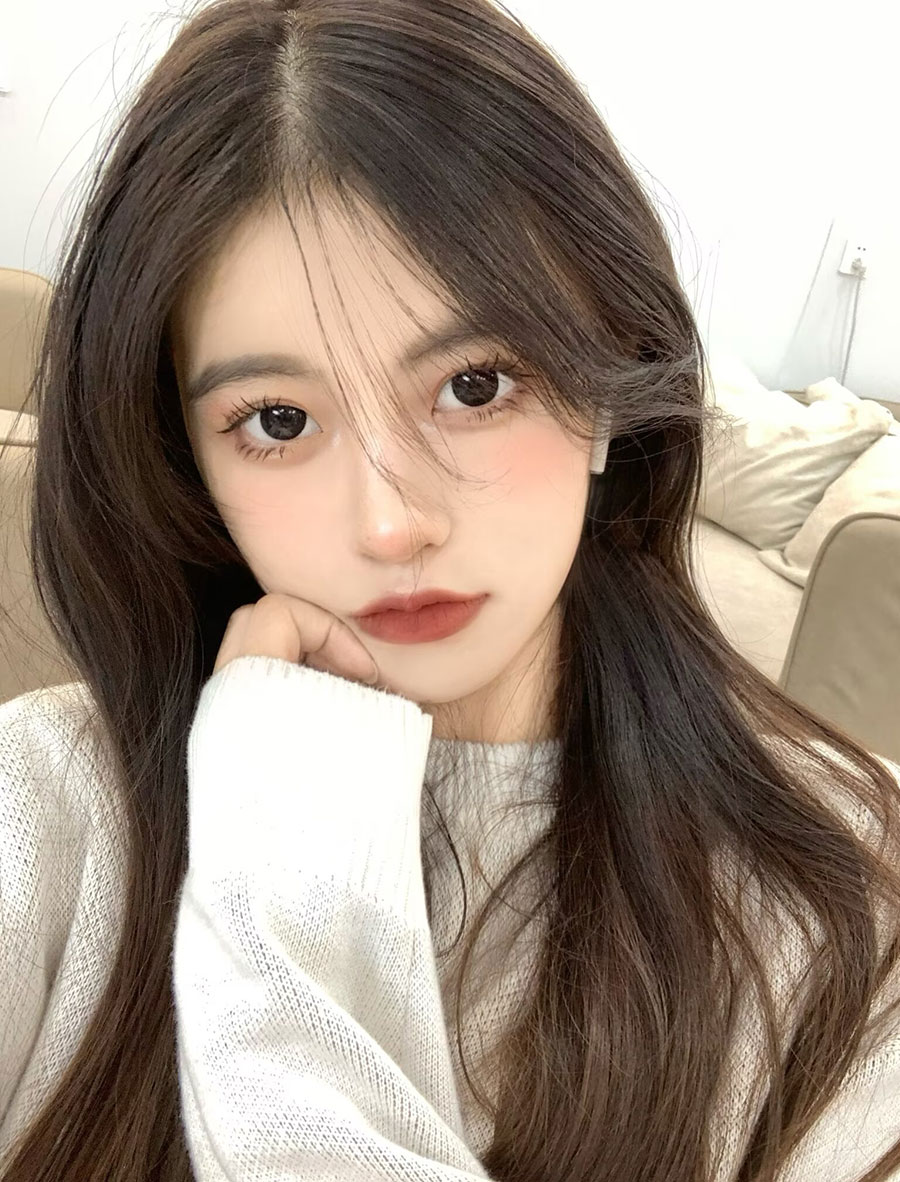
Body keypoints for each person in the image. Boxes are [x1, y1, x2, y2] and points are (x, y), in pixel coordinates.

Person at [1, 0, 899, 1178]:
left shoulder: (847, 892)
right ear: (186, 458)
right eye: (277, 421)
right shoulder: (43, 806)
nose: (390, 523)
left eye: (475, 386)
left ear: (605, 390)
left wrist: (281, 917)